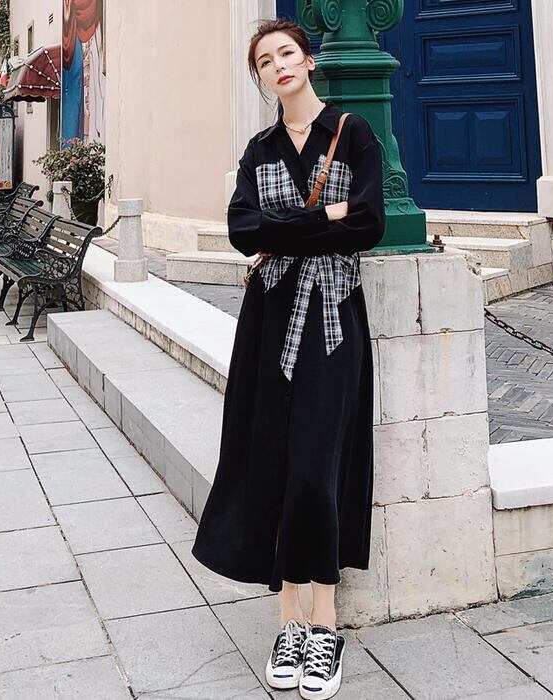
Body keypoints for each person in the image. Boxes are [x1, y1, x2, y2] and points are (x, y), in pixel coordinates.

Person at [191, 17, 385, 700]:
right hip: (269, 325)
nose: (278, 65)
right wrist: (323, 218)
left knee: (316, 471)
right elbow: (243, 231)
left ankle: (324, 627)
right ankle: (289, 624)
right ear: (261, 77)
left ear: (308, 60)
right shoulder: (260, 148)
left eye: (286, 53)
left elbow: (369, 222)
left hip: (332, 322)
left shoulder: (353, 134)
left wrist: (290, 230)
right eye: (265, 60)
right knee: (272, 463)